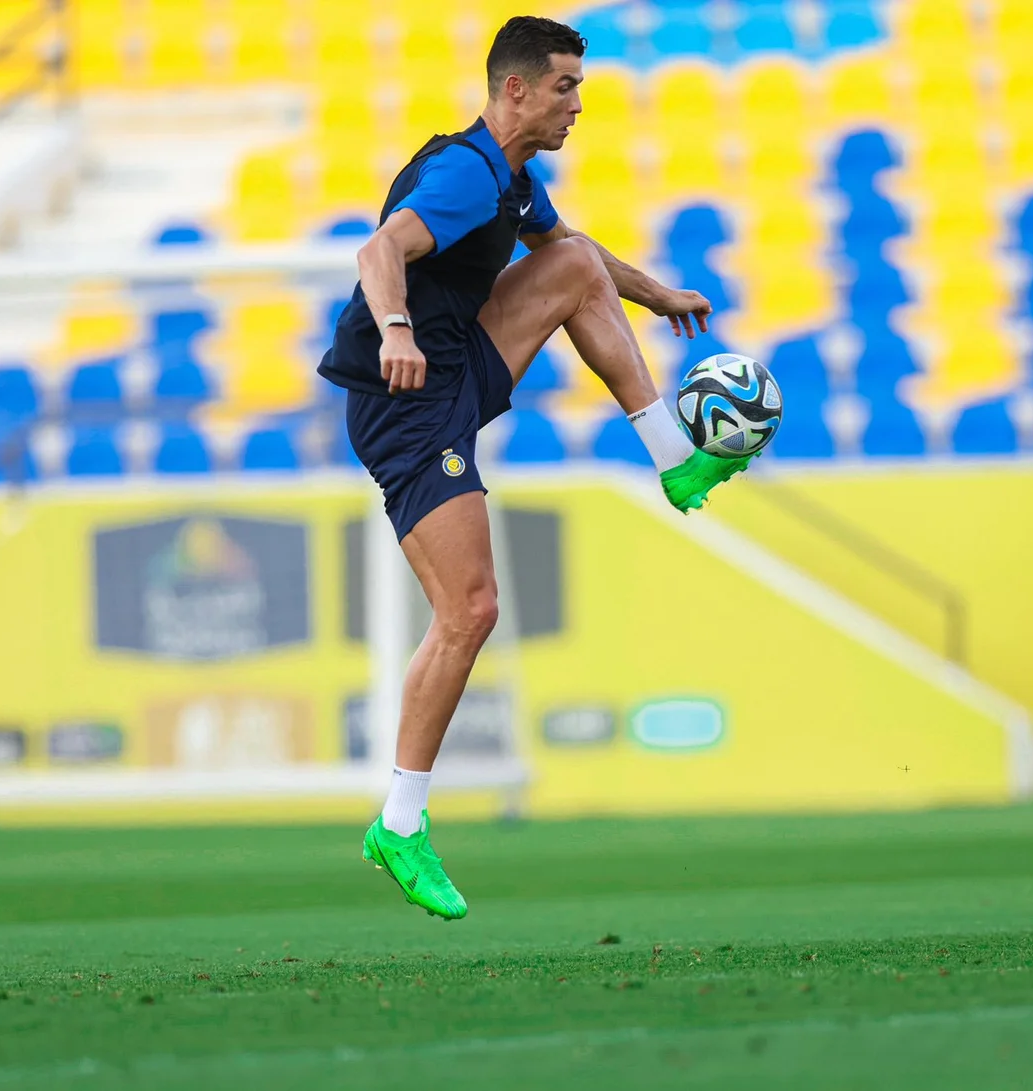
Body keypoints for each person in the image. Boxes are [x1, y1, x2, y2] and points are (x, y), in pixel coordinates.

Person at [318, 16, 753, 920]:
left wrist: (656, 294)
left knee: (573, 260)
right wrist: (394, 328)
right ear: (514, 89)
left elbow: (572, 253)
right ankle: (399, 823)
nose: (577, 105)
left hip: (453, 365)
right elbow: (378, 251)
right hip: (406, 399)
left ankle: (675, 460)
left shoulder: (511, 178)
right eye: (565, 87)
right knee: (470, 609)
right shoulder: (464, 175)